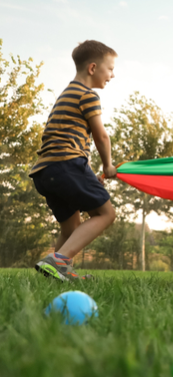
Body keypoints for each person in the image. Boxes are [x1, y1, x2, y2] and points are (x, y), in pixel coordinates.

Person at [31, 40, 118, 281]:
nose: (113, 75)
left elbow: (65, 138)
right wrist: (108, 165)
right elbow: (101, 135)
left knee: (70, 228)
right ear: (92, 68)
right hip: (66, 164)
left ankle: (55, 273)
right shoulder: (88, 95)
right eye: (110, 69)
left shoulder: (66, 94)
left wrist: (87, 172)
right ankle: (58, 261)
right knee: (106, 214)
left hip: (46, 170)